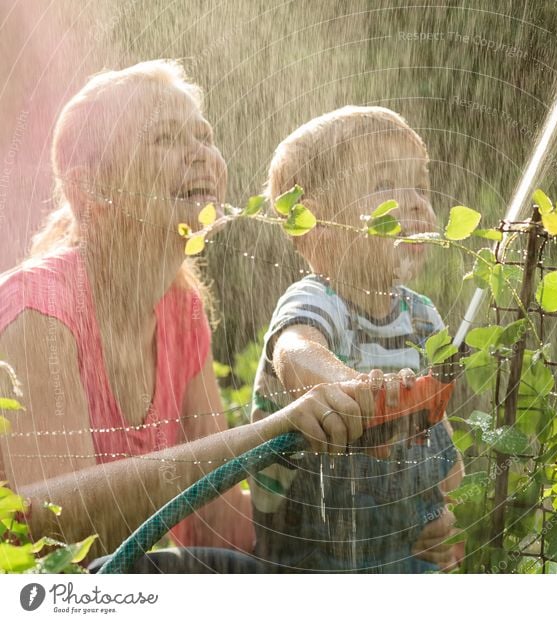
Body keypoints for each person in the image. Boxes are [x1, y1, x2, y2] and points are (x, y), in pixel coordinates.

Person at [0, 60, 378, 569]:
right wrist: (265, 434)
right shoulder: (37, 312)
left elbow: (211, 522)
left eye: (204, 136)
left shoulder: (182, 311)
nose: (201, 153)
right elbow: (48, 533)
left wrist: (371, 523)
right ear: (92, 190)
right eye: (165, 138)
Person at [250, 106, 464, 572]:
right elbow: (296, 354)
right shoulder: (316, 301)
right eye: (385, 184)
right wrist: (353, 388)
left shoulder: (422, 317)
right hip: (308, 555)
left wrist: (446, 514)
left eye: (421, 188)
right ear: (313, 223)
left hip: (399, 539)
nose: (413, 203)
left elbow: (440, 436)